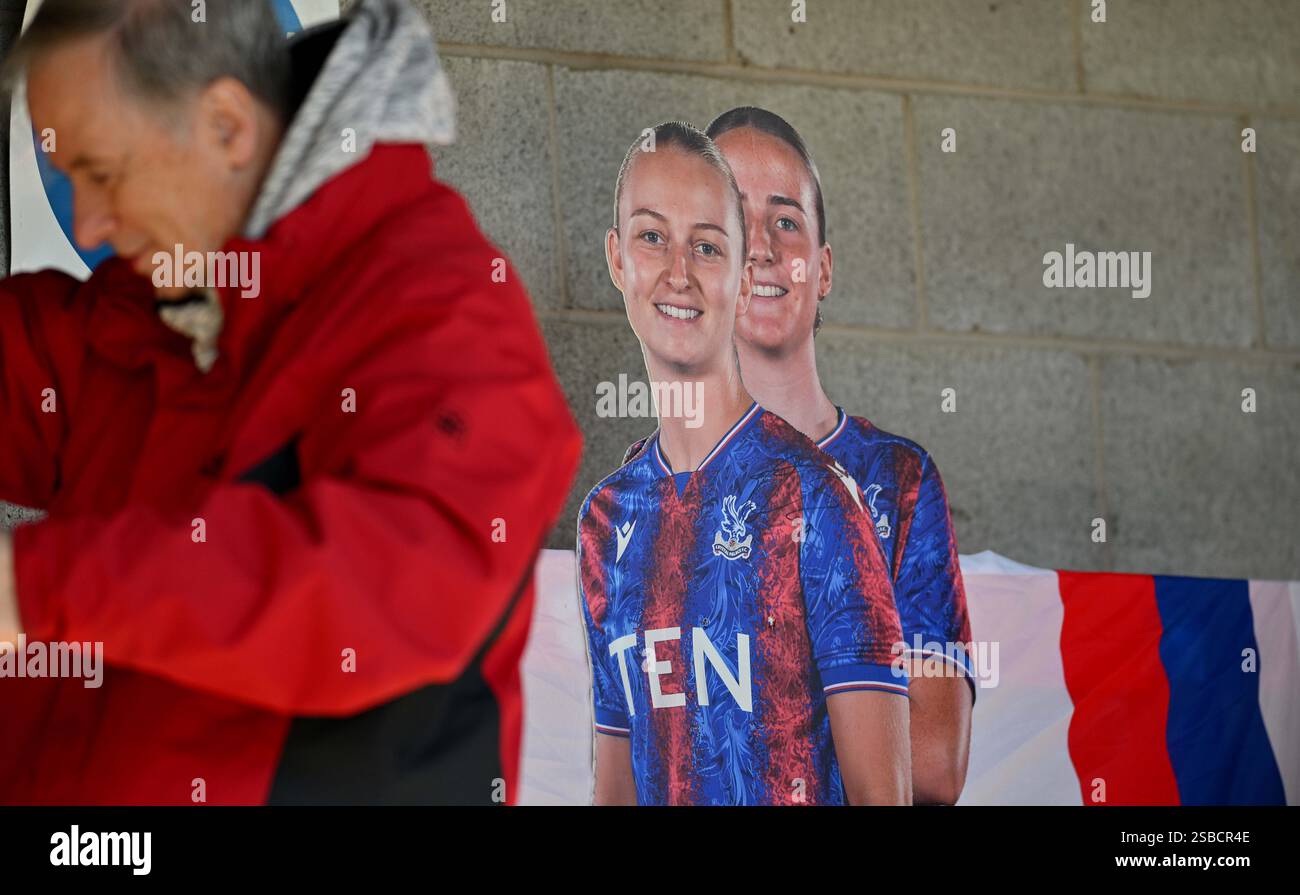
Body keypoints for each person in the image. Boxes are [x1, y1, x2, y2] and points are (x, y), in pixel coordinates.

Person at [0, 0, 580, 804]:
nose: (91, 222)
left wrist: (32, 587)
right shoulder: (153, 307)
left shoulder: (441, 308)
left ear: (228, 128)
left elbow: (386, 587)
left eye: (103, 172)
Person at [578, 121, 911, 806]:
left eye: (705, 245)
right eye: (651, 237)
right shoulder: (604, 522)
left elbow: (886, 794)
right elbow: (615, 789)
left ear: (739, 272)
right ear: (616, 258)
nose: (677, 272)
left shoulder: (815, 497)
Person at [705, 106, 975, 804]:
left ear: (821, 269)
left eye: (786, 220)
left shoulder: (897, 476)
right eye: (733, 221)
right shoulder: (650, 489)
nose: (760, 245)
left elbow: (935, 761)